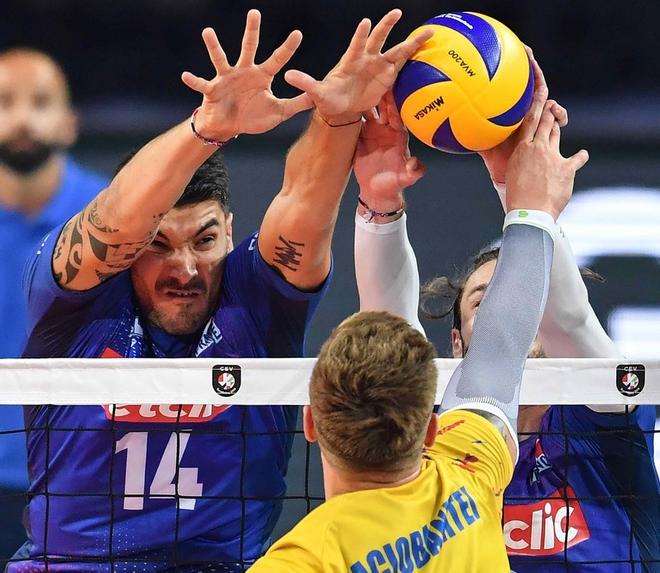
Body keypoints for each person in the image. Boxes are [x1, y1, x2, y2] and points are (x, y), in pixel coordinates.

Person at [13, 9, 432, 573]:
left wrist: (338, 122)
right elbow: (115, 221)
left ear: (231, 232)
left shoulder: (254, 301)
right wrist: (208, 128)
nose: (184, 268)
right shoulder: (74, 302)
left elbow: (303, 206)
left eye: (205, 240)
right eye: (157, 244)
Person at [248, 66, 586, 571]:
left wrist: (379, 201)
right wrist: (530, 206)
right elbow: (501, 342)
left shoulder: (305, 559)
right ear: (431, 431)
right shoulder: (469, 476)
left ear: (311, 423)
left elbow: (498, 338)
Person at [353, 54, 660, 570]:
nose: (509, 307)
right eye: (483, 301)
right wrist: (378, 202)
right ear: (456, 345)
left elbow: (570, 321)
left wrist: (512, 186)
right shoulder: (434, 434)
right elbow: (387, 327)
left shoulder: (601, 418)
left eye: (521, 293)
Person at [0, 48, 108, 560]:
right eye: (5, 101)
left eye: (39, 102)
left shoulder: (110, 219)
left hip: (78, 478)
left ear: (68, 124)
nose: (22, 117)